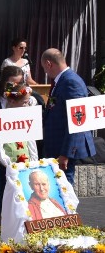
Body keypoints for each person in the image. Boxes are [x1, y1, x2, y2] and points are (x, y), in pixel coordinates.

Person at [41, 47, 95, 185]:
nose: (45, 71)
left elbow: (77, 121)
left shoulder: (71, 82)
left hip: (63, 149)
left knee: (64, 190)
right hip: (56, 146)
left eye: (44, 67)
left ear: (48, 63)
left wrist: (66, 154)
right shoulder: (62, 81)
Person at [0, 83, 39, 227]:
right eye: (24, 103)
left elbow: (31, 142)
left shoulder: (26, 118)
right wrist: (8, 164)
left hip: (24, 168)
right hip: (6, 169)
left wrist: (34, 163)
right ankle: (2, 229)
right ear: (12, 101)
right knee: (4, 203)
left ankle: (24, 228)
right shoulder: (1, 118)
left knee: (24, 201)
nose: (27, 106)